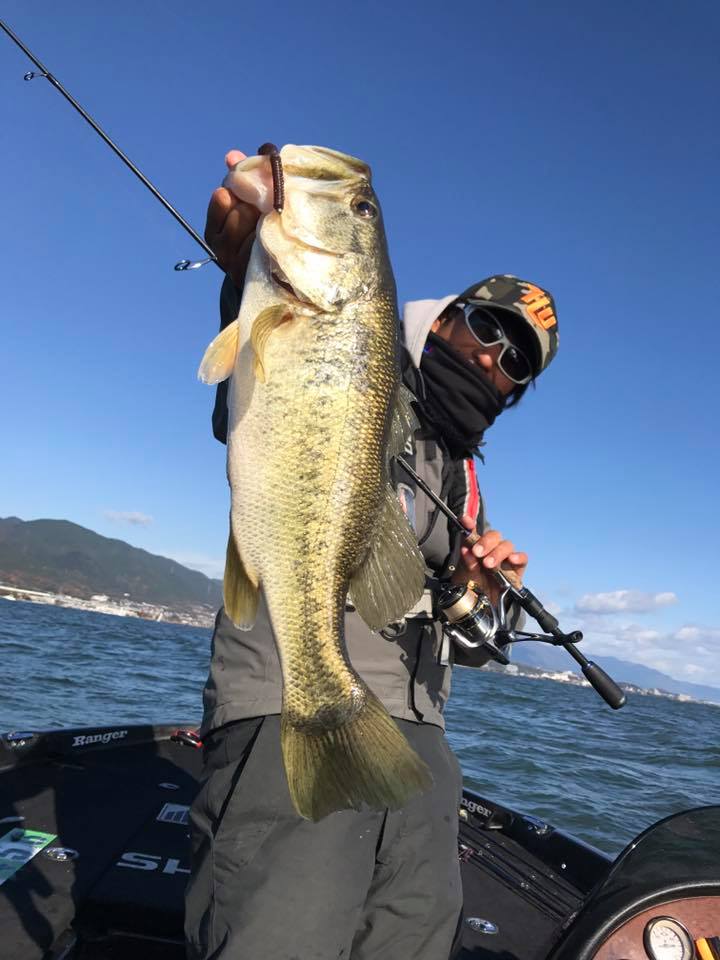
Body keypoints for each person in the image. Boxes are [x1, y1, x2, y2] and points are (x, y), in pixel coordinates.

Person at [185, 150, 559, 960]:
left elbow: (470, 642)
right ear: (447, 316)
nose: (494, 356)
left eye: (517, 362)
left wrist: (478, 592)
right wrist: (243, 268)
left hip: (417, 736)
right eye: (489, 327)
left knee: (411, 939)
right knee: (278, 936)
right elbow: (264, 374)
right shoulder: (364, 360)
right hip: (287, 699)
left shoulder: (461, 478)